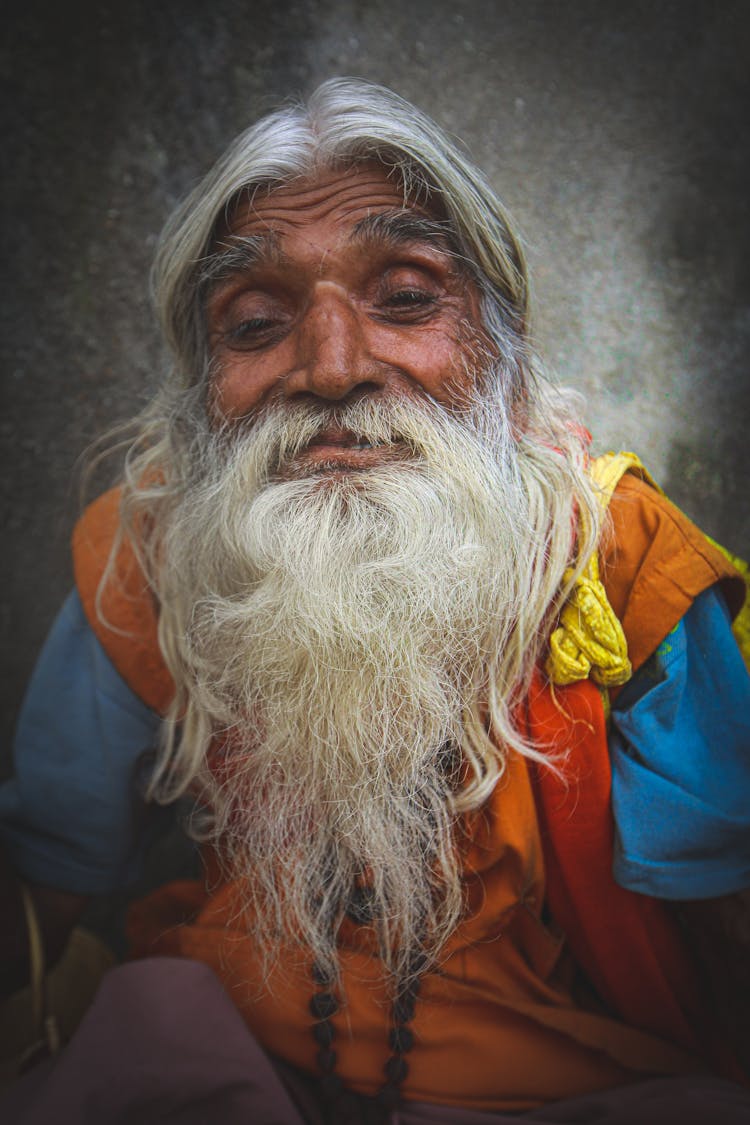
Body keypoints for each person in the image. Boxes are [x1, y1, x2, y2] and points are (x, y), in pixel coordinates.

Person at [1, 78, 749, 1123]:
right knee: (145, 1025)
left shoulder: (627, 571)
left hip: (556, 1082)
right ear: (198, 391)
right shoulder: (149, 560)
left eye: (405, 298)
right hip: (239, 1048)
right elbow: (46, 885)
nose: (334, 366)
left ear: (504, 351)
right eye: (256, 321)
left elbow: (724, 922)